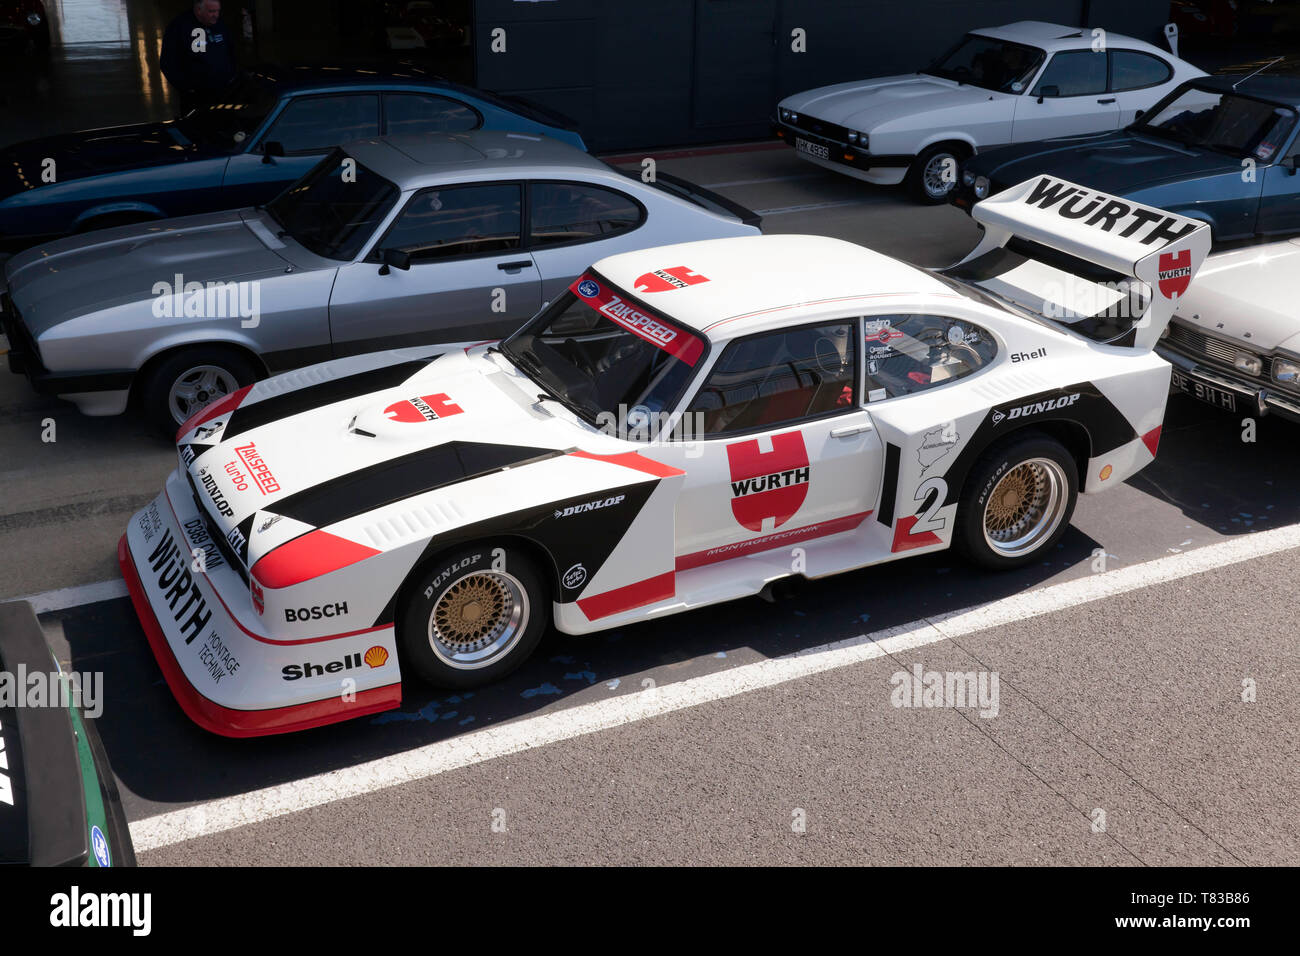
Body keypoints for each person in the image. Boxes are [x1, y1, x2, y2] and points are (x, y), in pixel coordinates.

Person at [160, 0, 237, 115]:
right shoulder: (179, 26)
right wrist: (186, 88)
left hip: (224, 92)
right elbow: (168, 62)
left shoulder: (219, 24)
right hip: (195, 97)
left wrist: (232, 75)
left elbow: (231, 51)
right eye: (211, 11)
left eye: (218, 11)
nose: (216, 15)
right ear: (198, 10)